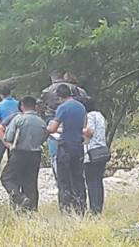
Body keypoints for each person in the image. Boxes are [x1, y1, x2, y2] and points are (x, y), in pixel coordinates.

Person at [38, 70, 88, 179]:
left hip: (53, 120)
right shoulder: (79, 91)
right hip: (76, 125)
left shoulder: (47, 91)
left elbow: (40, 106)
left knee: (55, 150)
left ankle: (59, 176)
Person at [0, 96, 47, 211]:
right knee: (30, 182)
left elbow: (8, 137)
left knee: (7, 178)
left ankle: (19, 198)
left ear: (22, 106)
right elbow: (44, 138)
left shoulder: (18, 119)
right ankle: (31, 210)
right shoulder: (41, 122)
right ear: (35, 107)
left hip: (19, 153)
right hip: (35, 155)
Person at [47, 84, 87, 214]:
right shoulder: (81, 107)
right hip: (78, 146)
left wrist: (48, 128)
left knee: (64, 180)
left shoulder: (62, 108)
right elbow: (83, 127)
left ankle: (66, 209)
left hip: (65, 147)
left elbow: (53, 128)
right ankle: (81, 207)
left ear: (59, 97)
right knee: (78, 178)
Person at [83, 97, 108, 215]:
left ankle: (94, 209)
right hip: (102, 150)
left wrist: (78, 130)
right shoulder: (100, 115)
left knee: (91, 182)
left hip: (91, 152)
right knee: (98, 181)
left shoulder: (90, 116)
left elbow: (89, 131)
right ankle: (99, 207)